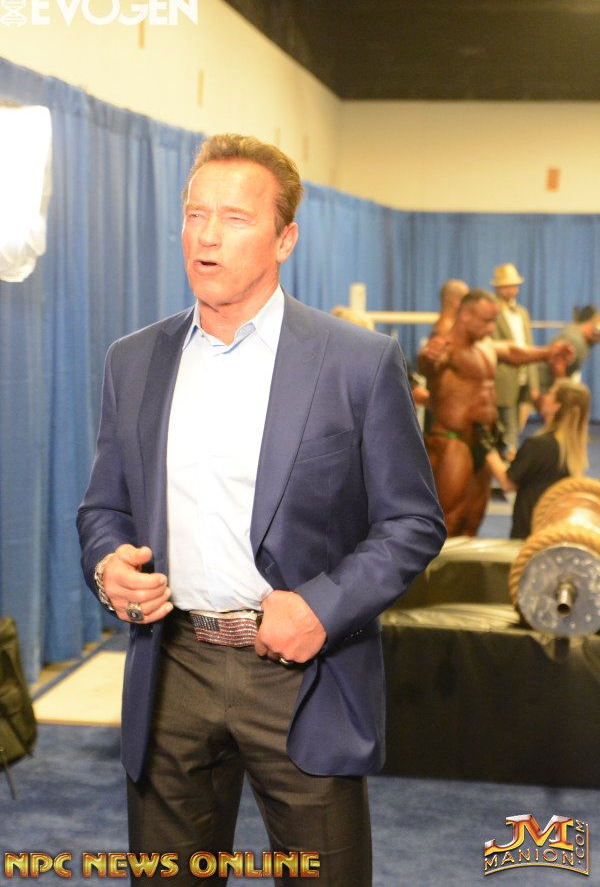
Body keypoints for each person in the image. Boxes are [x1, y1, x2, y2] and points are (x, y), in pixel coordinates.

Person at [77, 134, 446, 885]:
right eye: (195, 214)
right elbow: (105, 507)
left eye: (235, 218)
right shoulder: (133, 360)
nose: (207, 236)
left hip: (302, 675)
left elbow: (413, 522)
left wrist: (321, 608)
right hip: (172, 667)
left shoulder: (357, 362)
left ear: (285, 239)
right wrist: (108, 566)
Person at [418, 289, 573, 537]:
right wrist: (427, 358)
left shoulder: (485, 345)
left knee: (473, 517)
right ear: (465, 315)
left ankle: (463, 565)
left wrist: (547, 353)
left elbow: (512, 351)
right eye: (486, 321)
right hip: (453, 441)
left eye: (493, 321)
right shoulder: (445, 347)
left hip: (483, 441)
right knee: (449, 519)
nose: (491, 328)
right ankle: (433, 564)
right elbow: (428, 365)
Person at [486, 379, 590, 538]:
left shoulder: (537, 445)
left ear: (557, 406)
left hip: (528, 531)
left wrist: (487, 447)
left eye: (550, 394)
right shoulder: (572, 449)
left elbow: (507, 483)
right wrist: (518, 457)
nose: (545, 396)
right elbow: (540, 470)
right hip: (552, 530)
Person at [490, 263, 539, 459]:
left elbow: (529, 346)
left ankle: (508, 461)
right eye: (507, 286)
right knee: (507, 426)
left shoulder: (522, 313)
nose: (512, 289)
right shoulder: (491, 311)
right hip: (503, 379)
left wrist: (534, 383)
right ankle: (507, 465)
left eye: (514, 285)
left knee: (517, 424)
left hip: (523, 377)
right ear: (498, 288)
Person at [538, 304, 600, 393]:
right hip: (544, 390)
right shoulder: (575, 339)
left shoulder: (580, 339)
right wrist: (561, 393)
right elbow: (558, 364)